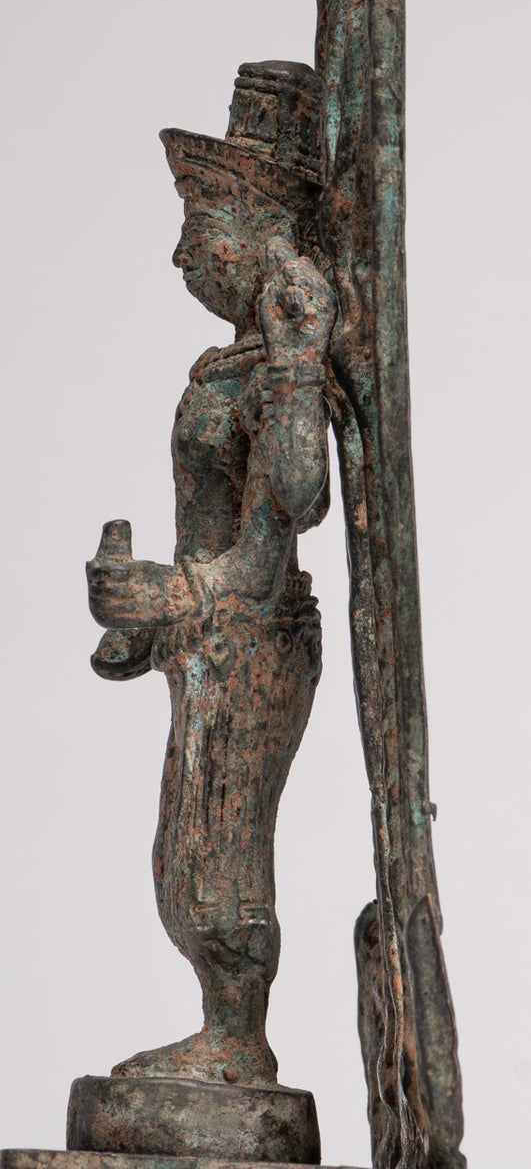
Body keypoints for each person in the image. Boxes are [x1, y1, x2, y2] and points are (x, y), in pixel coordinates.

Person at [86, 61, 336, 1087]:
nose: (184, 253)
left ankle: (237, 1040)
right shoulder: (228, 368)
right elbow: (210, 532)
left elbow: (295, 506)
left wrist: (298, 360)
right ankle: (223, 1033)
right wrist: (142, 617)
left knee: (215, 849)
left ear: (263, 226)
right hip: (210, 638)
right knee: (184, 846)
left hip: (252, 634)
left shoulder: (280, 363)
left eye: (202, 226)